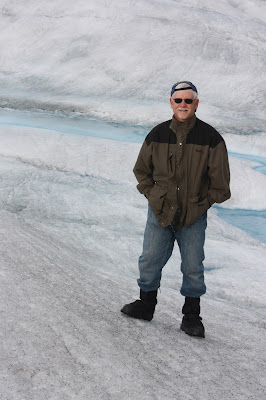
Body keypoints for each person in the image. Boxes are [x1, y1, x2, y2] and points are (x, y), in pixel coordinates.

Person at [121, 81, 231, 338]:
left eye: (188, 100)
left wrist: (200, 204)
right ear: (171, 103)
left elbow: (221, 187)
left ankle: (192, 316)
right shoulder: (157, 134)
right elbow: (141, 171)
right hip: (160, 212)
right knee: (149, 259)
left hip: (192, 215)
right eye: (178, 100)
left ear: (196, 104)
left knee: (193, 266)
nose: (183, 105)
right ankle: (146, 305)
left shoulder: (211, 139)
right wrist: (154, 195)